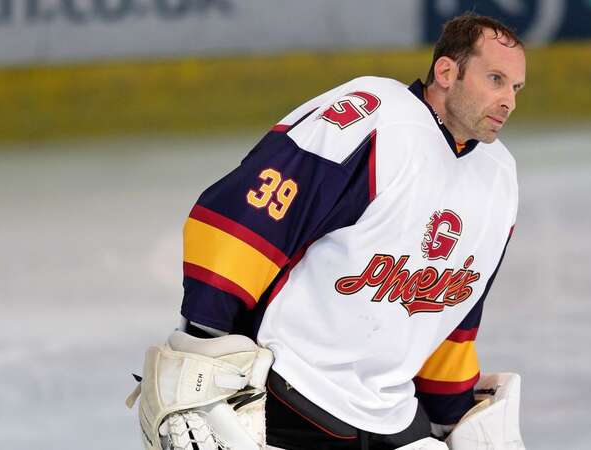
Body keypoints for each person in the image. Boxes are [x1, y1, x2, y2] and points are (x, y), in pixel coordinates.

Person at [128, 12, 527, 450]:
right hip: (290, 391)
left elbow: (454, 310)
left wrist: (451, 412)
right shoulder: (378, 117)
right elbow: (248, 215)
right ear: (447, 71)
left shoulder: (499, 178)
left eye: (515, 88)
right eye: (495, 79)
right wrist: (201, 341)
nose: (508, 100)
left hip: (390, 413)